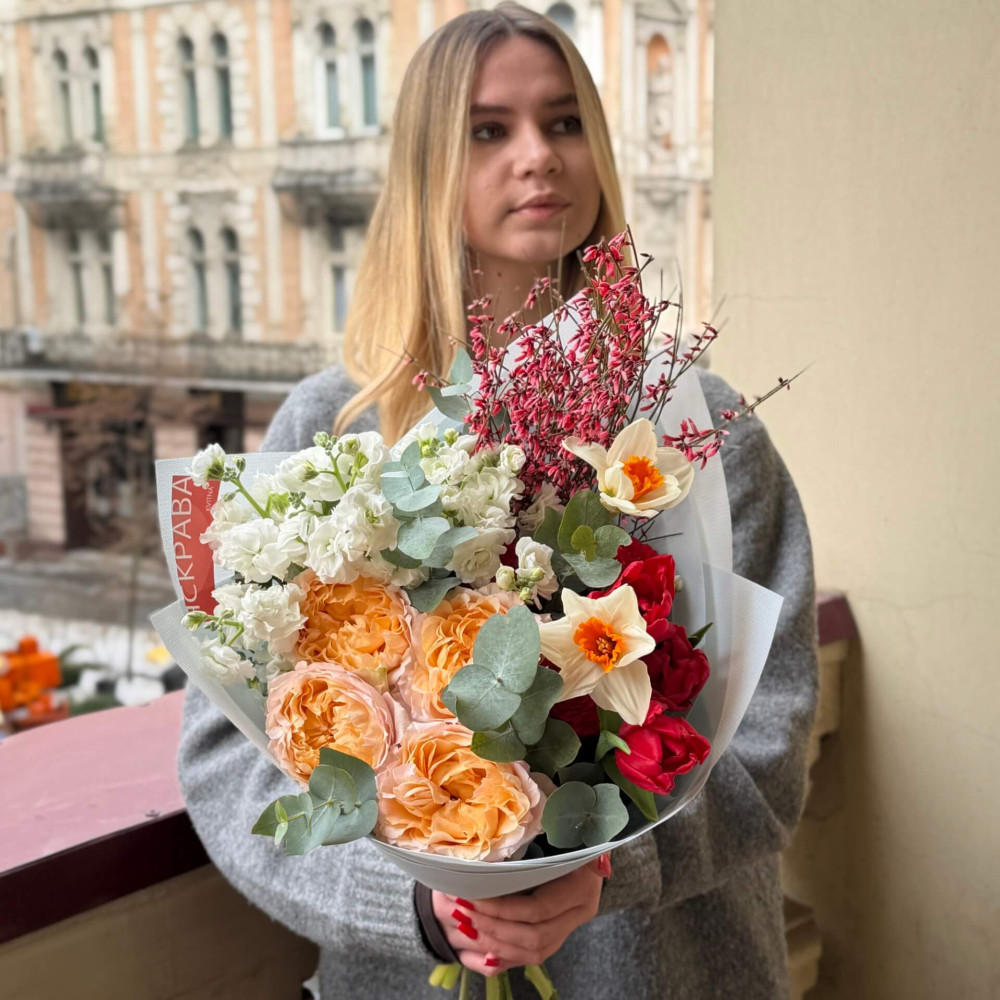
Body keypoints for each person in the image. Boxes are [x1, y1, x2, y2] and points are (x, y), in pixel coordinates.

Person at [178, 4, 818, 998]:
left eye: (564, 123)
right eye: (489, 130)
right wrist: (419, 905)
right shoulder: (333, 430)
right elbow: (232, 762)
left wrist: (602, 867)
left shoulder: (693, 432)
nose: (538, 156)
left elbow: (768, 736)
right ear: (429, 164)